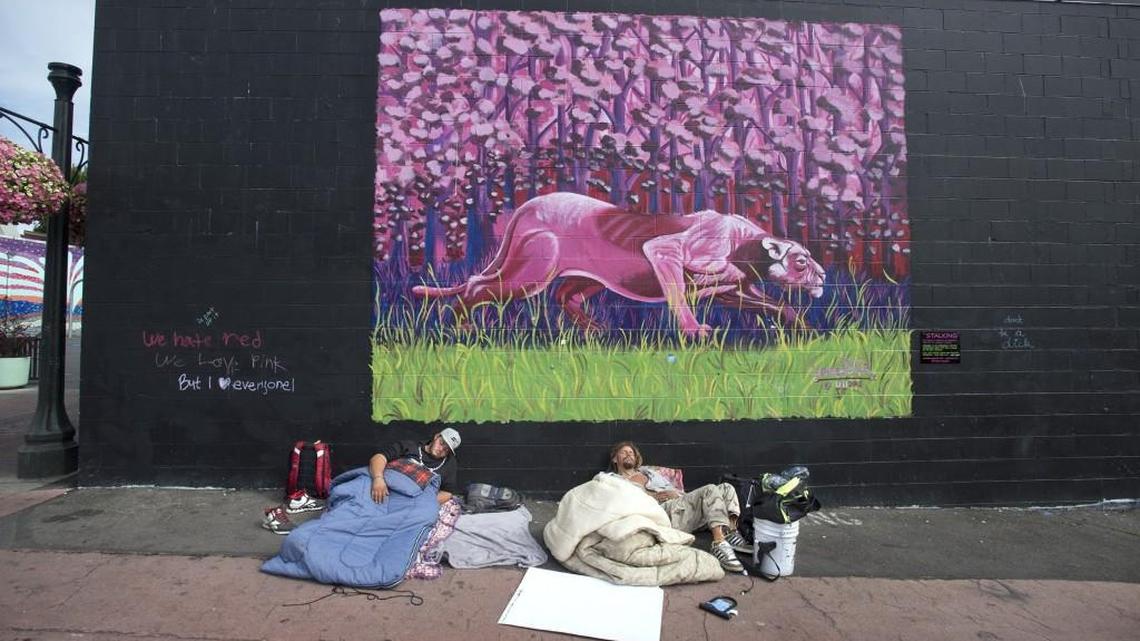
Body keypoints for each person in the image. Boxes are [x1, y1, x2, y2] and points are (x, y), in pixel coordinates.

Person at [608, 441, 748, 573]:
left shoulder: (647, 472)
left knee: (726, 488)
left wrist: (681, 495)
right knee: (709, 489)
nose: (628, 455)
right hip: (663, 512)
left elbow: (672, 488)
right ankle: (719, 543)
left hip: (681, 505)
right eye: (623, 452)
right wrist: (654, 497)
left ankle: (730, 530)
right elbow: (623, 504)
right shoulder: (613, 480)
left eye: (631, 453)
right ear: (615, 459)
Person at [370, 428, 461, 505]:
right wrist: (378, 479)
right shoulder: (410, 446)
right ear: (436, 436)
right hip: (385, 483)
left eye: (446, 450)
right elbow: (379, 457)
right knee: (362, 486)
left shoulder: (449, 463)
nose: (441, 449)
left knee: (427, 516)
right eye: (441, 443)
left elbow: (447, 492)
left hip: (412, 500)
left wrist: (423, 503)